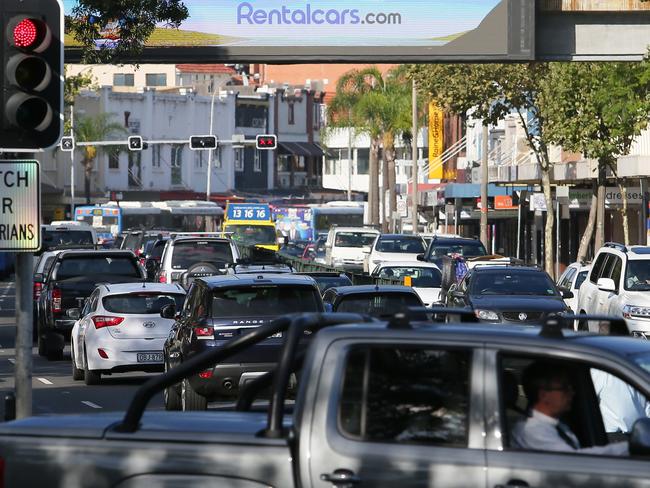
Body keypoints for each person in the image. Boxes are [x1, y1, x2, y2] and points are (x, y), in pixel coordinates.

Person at [510, 361, 628, 455]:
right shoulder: (533, 430)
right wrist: (627, 447)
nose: (571, 393)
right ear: (544, 395)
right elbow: (574, 460)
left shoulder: (557, 425)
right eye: (564, 388)